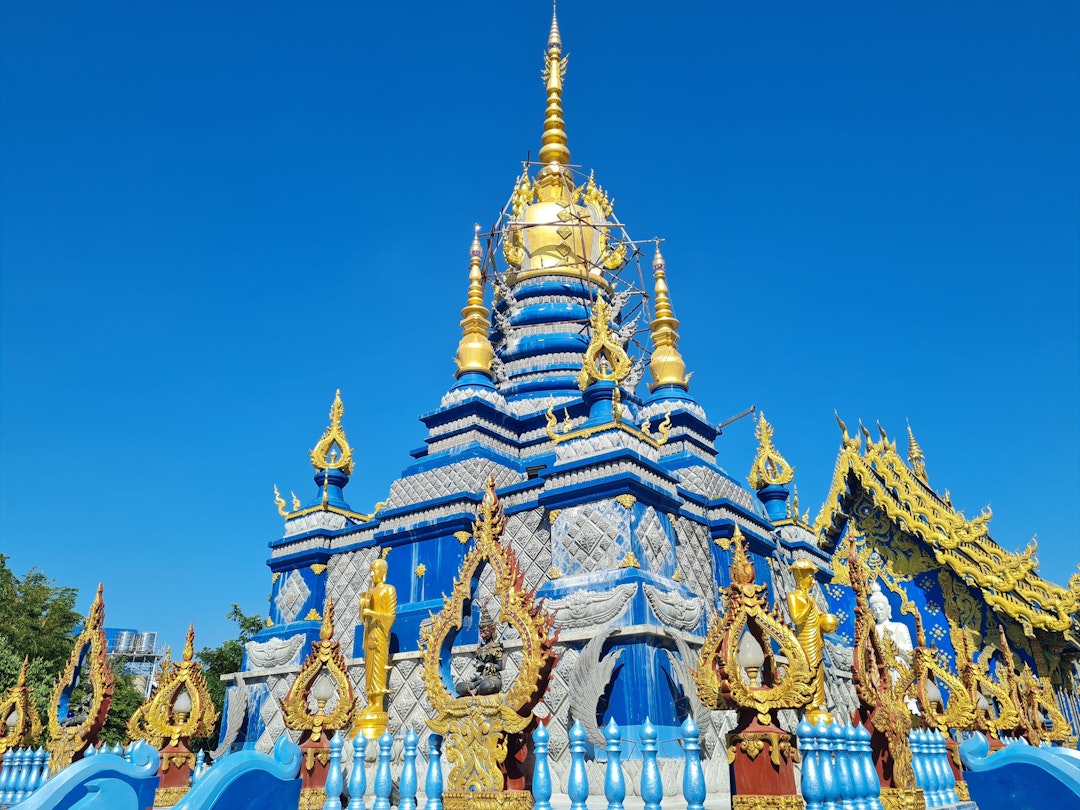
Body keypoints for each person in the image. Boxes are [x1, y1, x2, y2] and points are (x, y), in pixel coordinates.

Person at [787, 559, 838, 724]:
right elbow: (797, 618)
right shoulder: (793, 596)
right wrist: (808, 606)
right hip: (804, 639)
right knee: (808, 669)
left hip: (816, 639)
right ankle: (809, 704)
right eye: (811, 577)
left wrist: (827, 622)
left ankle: (817, 703)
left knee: (818, 671)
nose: (813, 581)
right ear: (801, 577)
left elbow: (817, 616)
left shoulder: (811, 599)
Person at [357, 557, 397, 727]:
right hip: (369, 636)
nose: (372, 574)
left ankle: (378, 704)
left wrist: (372, 613)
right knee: (369, 669)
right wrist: (363, 606)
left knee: (378, 671)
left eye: (375, 570)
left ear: (383, 572)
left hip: (381, 635)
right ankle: (371, 702)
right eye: (371, 571)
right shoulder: (370, 592)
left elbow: (391, 617)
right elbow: (362, 618)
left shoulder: (389, 590)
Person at [455, 608, 504, 697]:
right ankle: (475, 686)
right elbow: (480, 668)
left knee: (486, 686)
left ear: (491, 630)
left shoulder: (496, 648)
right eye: (481, 632)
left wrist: (488, 665)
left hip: (493, 678)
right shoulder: (480, 649)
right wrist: (479, 665)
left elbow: (500, 666)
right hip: (480, 678)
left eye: (485, 632)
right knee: (459, 687)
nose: (482, 635)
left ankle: (477, 687)